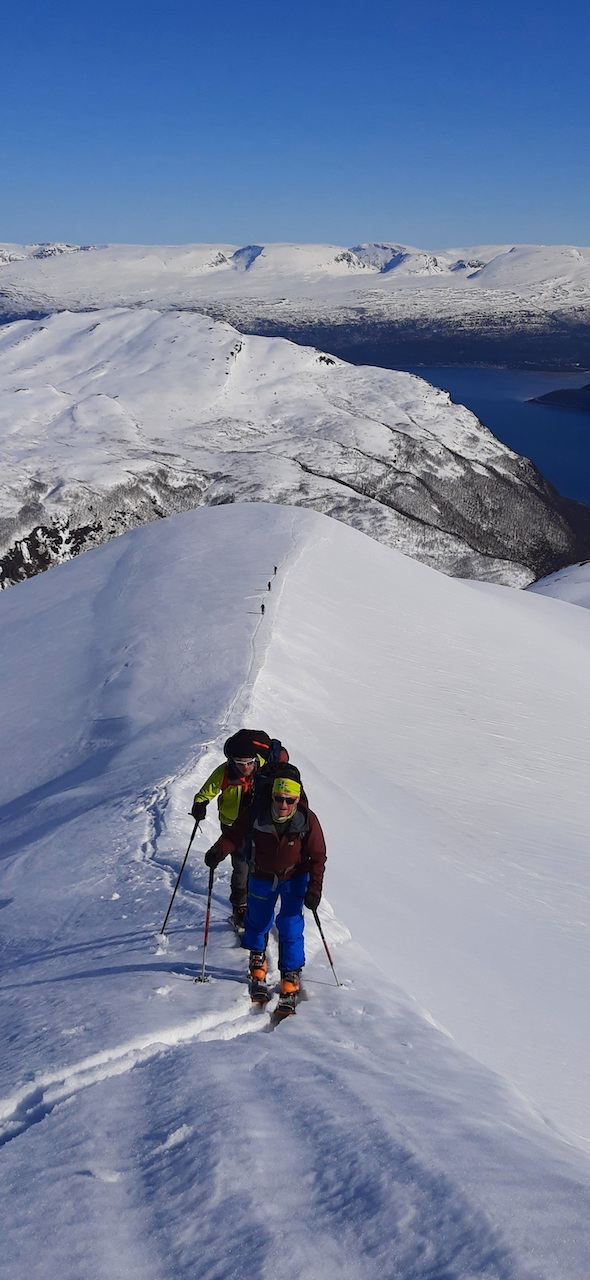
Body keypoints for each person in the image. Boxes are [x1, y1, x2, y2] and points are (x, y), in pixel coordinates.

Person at [204, 764, 326, 1011]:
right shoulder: (256, 812)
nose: (284, 805)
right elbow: (234, 835)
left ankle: (290, 974)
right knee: (258, 921)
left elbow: (318, 857)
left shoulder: (307, 820)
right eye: (279, 798)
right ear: (272, 796)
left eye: (290, 800)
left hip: (295, 877)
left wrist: (314, 890)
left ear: (297, 799)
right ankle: (257, 959)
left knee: (290, 925)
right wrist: (219, 850)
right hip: (261, 875)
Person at [191, 729, 272, 927]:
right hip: (231, 826)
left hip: (258, 826)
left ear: (255, 759)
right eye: (240, 763)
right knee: (241, 867)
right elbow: (206, 792)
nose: (245, 767)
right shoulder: (225, 771)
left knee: (258, 867)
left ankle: (256, 903)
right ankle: (240, 907)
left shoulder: (266, 770)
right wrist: (200, 805)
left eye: (249, 763)